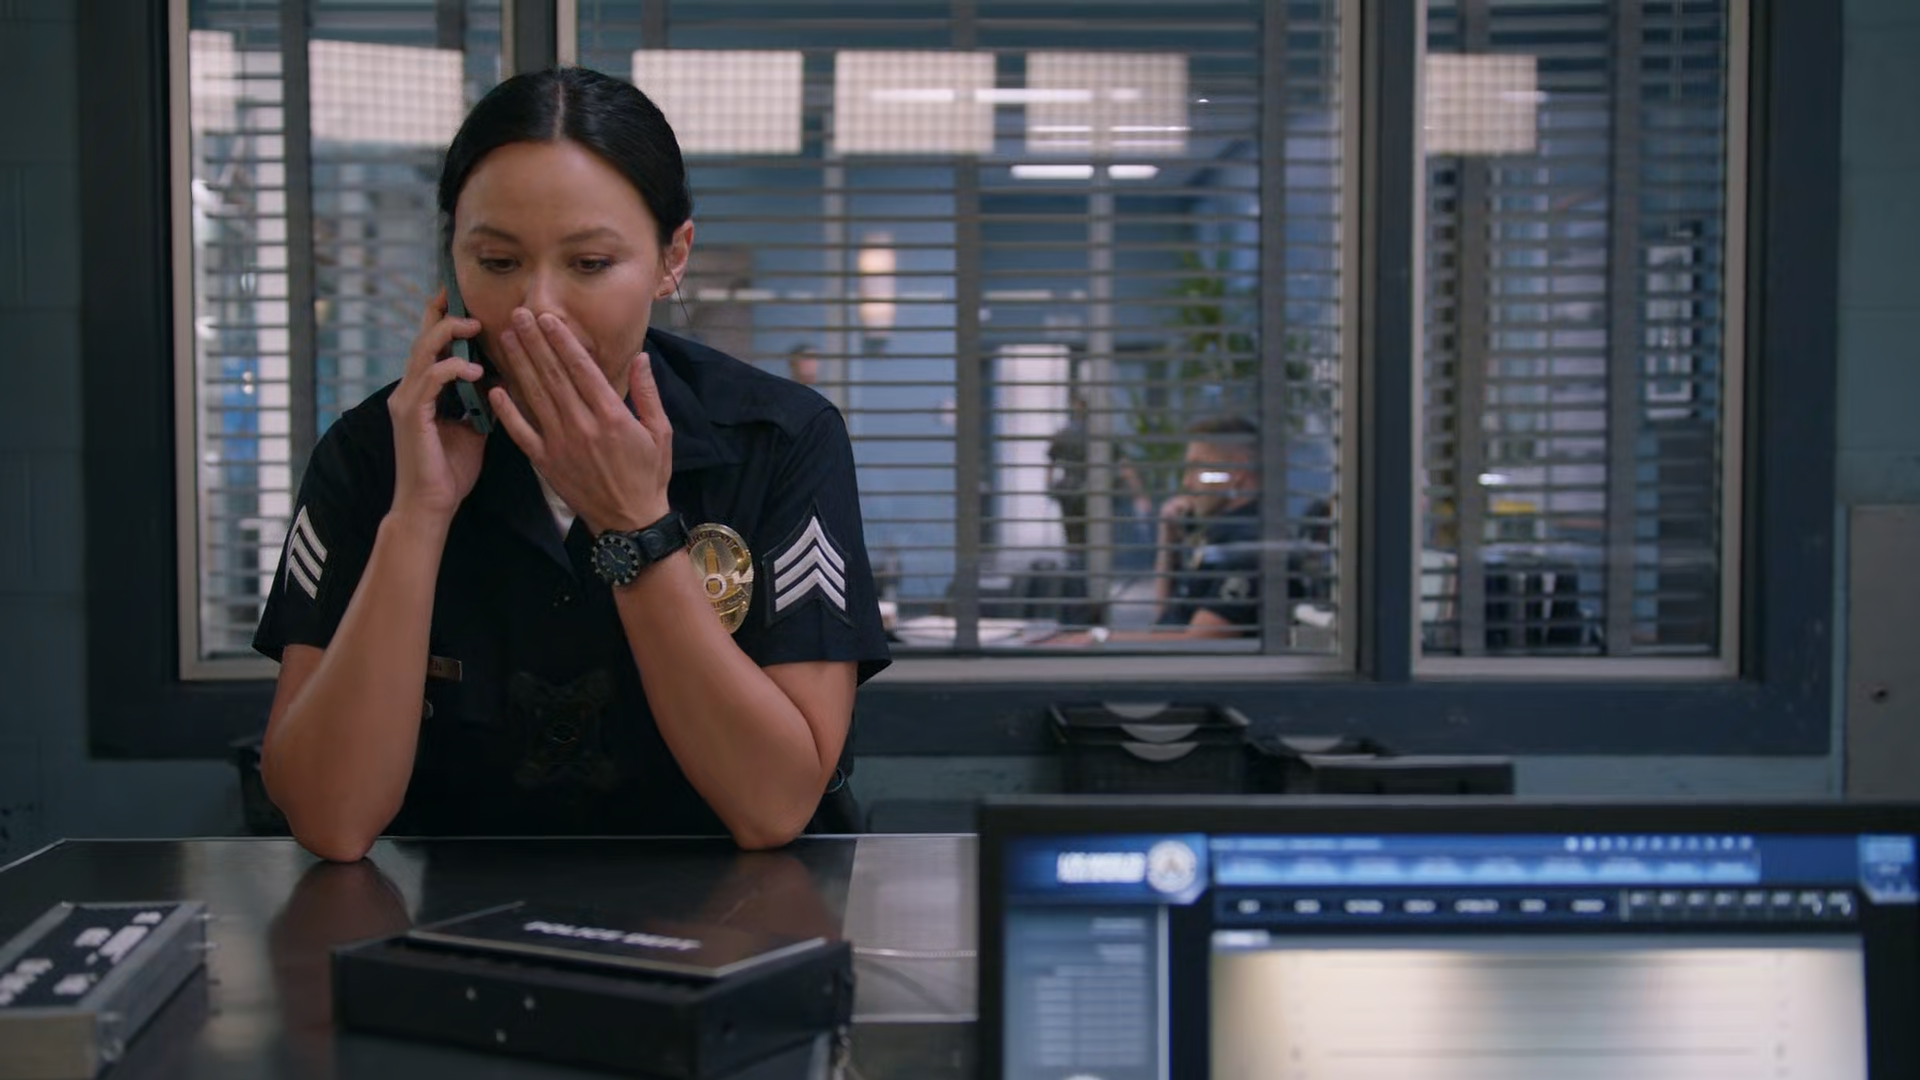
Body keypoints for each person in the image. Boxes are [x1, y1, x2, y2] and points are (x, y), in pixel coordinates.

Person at [253, 68, 891, 862]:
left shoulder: (781, 440)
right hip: (467, 920)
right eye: (497, 261)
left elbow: (774, 804)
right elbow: (329, 819)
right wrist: (416, 518)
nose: (537, 308)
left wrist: (636, 525)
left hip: (731, 918)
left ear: (671, 257)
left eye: (589, 264)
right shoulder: (373, 450)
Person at [1048, 415, 1261, 644]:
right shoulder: (1219, 536)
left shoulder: (1245, 546)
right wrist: (1167, 538)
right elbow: (1166, 619)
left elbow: (1199, 642)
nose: (1187, 483)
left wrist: (1097, 640)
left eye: (1198, 469)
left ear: (1237, 471)